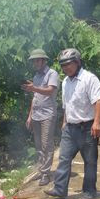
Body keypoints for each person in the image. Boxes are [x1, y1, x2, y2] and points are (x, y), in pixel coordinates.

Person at [44, 48, 100, 199]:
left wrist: (96, 122)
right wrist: (64, 122)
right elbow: (67, 104)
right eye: (63, 66)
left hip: (87, 127)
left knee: (90, 161)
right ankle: (59, 190)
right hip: (70, 128)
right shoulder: (65, 82)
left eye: (68, 64)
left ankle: (89, 191)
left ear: (77, 63)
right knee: (64, 158)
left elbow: (98, 100)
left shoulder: (89, 79)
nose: (65, 68)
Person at [21, 49, 59, 186]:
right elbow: (35, 97)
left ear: (44, 60)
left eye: (37, 60)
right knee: (38, 145)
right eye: (33, 61)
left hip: (48, 114)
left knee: (46, 144)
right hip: (36, 115)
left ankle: (46, 173)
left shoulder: (52, 74)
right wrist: (30, 116)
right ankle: (41, 169)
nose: (35, 63)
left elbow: (50, 91)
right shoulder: (36, 76)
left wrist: (33, 88)